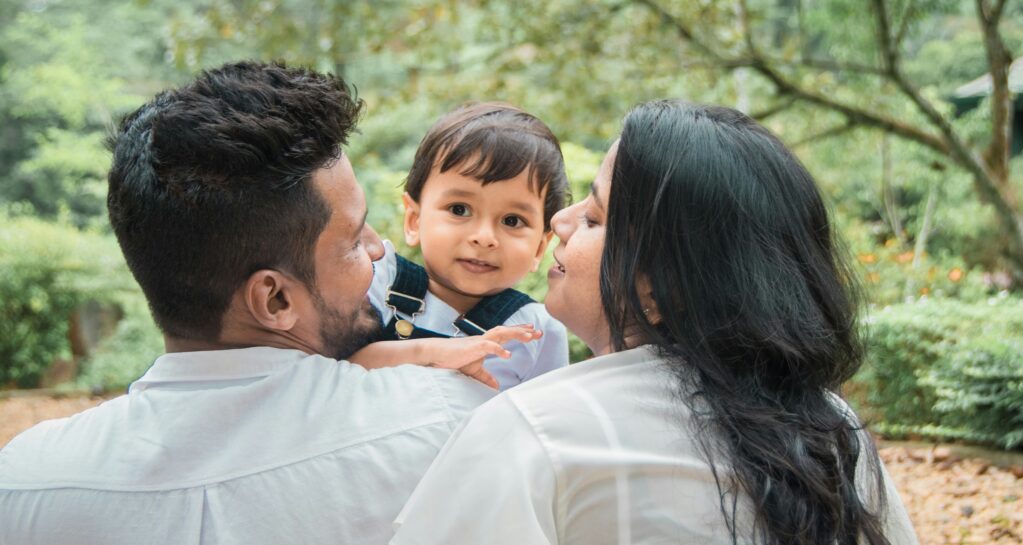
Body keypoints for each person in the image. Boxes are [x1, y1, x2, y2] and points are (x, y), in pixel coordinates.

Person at [0, 61, 496, 545]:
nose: (377, 249)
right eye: (351, 239)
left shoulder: (25, 485)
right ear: (275, 299)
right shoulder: (450, 424)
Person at [390, 100, 920, 545]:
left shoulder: (537, 433)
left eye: (594, 218)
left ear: (662, 286)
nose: (559, 222)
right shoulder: (832, 426)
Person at [348, 103, 570, 391]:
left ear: (540, 248)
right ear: (414, 220)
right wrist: (429, 353)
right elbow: (333, 371)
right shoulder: (375, 283)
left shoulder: (535, 331)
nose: (484, 237)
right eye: (459, 209)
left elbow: (543, 421)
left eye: (512, 220)